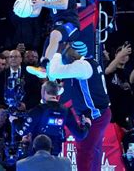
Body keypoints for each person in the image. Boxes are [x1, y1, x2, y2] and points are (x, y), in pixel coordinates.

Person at [48, 41, 111, 171]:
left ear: (73, 54)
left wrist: (58, 52)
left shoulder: (82, 66)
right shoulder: (88, 63)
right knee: (94, 151)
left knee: (84, 151)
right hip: (99, 113)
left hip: (95, 116)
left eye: (67, 50)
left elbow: (54, 72)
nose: (65, 54)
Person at [27, 0, 80, 79]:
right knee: (46, 52)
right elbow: (35, 12)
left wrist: (42, 3)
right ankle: (51, 79)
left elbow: (63, 4)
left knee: (55, 35)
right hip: (57, 26)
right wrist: (24, 12)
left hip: (71, 24)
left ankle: (43, 67)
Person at [10, 81, 91, 156]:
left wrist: (14, 120)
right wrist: (87, 124)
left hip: (37, 155)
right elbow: (80, 135)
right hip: (55, 155)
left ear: (44, 91)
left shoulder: (38, 110)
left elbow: (22, 131)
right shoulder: (66, 111)